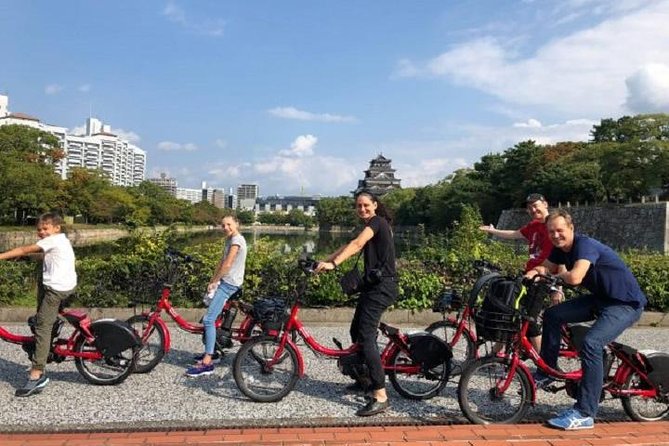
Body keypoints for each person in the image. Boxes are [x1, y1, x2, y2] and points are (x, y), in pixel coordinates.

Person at [526, 209, 646, 430]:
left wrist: (553, 276)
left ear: (571, 228)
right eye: (551, 231)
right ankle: (547, 372)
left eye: (560, 230)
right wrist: (533, 273)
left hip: (624, 303)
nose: (555, 235)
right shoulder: (560, 249)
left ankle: (585, 413)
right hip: (601, 299)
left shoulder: (584, 245)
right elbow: (546, 266)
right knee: (553, 315)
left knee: (591, 343)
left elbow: (575, 277)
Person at [315, 190, 398, 417]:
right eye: (358, 206)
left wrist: (335, 265)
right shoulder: (372, 223)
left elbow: (358, 244)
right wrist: (326, 261)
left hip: (382, 287)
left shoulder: (378, 222)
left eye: (365, 205)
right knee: (355, 331)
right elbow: (348, 246)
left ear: (375, 204)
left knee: (366, 336)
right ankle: (365, 379)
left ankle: (380, 394)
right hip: (373, 286)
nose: (362, 209)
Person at [0, 212, 77, 397]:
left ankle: (37, 375)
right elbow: (41, 254)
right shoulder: (60, 240)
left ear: (57, 228)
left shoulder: (54, 240)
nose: (42, 232)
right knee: (39, 319)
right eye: (39, 229)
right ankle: (47, 345)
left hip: (56, 289)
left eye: (45, 228)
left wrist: (2, 256)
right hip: (59, 284)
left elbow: (26, 249)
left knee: (42, 326)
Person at [480, 193, 556, 350]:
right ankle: (496, 353)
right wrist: (494, 231)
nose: (533, 210)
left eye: (536, 205)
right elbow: (515, 234)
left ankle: (544, 364)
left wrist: (557, 288)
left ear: (545, 204)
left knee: (530, 321)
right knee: (511, 313)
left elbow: (562, 254)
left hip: (542, 279)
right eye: (530, 208)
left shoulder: (554, 225)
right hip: (529, 277)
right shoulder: (533, 226)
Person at [185, 214, 247, 377]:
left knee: (209, 319)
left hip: (229, 284)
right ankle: (214, 351)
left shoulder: (236, 240)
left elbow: (228, 264)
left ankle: (208, 361)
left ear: (237, 224)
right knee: (214, 319)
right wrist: (212, 281)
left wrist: (217, 281)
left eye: (229, 224)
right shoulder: (229, 240)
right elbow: (221, 262)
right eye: (223, 225)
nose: (225, 227)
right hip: (224, 282)